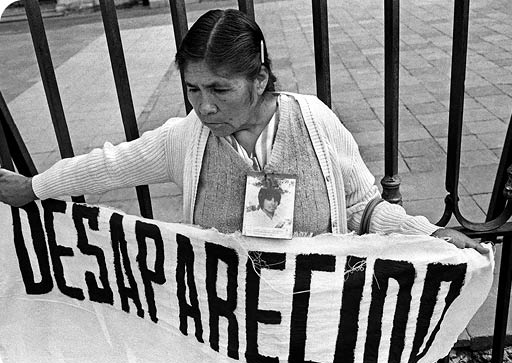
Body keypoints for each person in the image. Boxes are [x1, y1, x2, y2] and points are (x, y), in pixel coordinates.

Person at [0, 9, 484, 252]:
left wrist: (430, 234)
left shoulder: (313, 121)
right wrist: (34, 187)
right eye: (192, 89)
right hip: (231, 329)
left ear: (260, 78)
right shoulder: (184, 139)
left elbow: (362, 206)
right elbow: (106, 166)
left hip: (313, 318)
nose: (204, 107)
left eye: (220, 89)